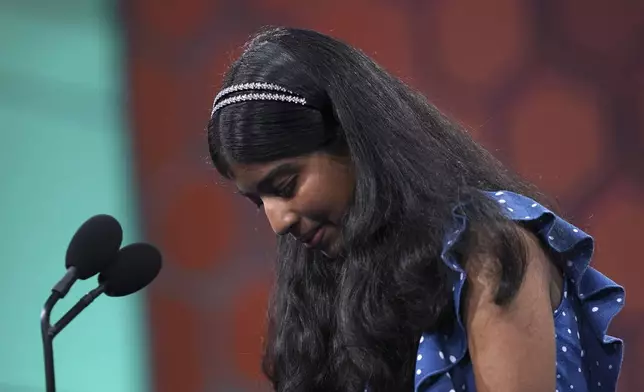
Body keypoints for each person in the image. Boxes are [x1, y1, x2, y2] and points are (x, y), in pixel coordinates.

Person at [206, 27, 625, 392]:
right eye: (258, 201)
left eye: (286, 185)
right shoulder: (331, 284)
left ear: (352, 140)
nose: (278, 221)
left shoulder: (487, 251)